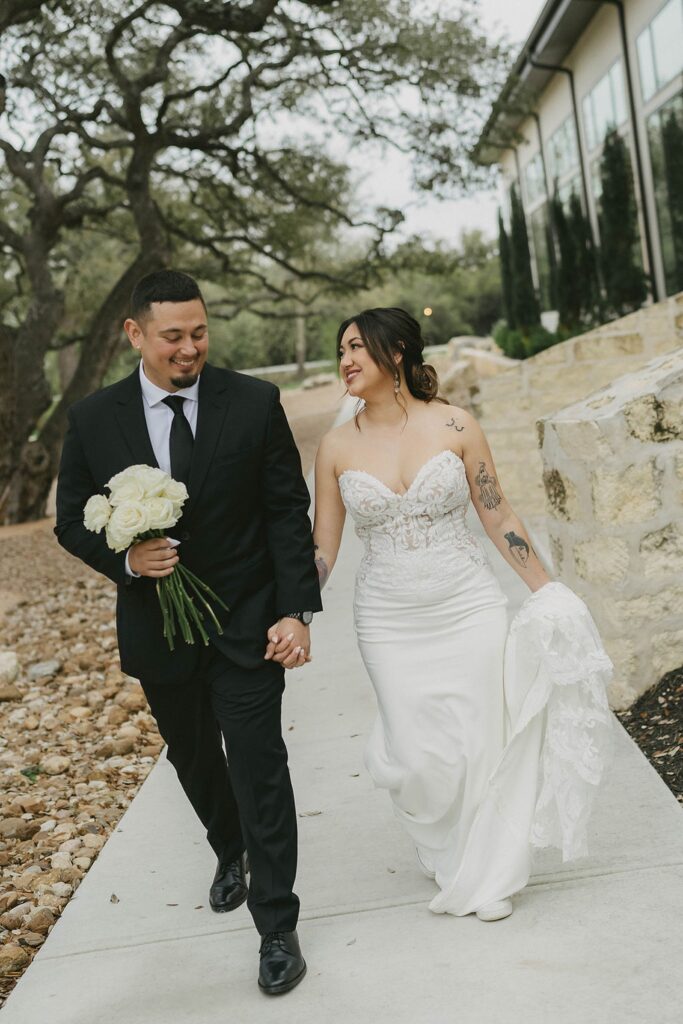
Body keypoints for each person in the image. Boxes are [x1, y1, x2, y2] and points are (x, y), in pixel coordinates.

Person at [55, 270, 321, 995]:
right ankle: (226, 844)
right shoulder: (92, 420)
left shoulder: (256, 401)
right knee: (195, 759)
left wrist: (295, 609)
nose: (189, 348)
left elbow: (283, 513)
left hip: (246, 623)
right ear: (134, 334)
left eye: (199, 332)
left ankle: (276, 926)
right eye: (172, 336)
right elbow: (71, 517)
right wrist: (128, 560)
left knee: (259, 766)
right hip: (158, 630)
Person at [313, 307, 612, 922]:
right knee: (422, 757)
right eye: (340, 350)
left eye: (355, 349)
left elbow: (497, 513)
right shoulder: (336, 446)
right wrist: (291, 610)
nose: (344, 361)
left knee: (479, 741)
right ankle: (444, 848)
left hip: (467, 603)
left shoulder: (455, 423)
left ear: (395, 354)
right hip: (388, 617)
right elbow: (323, 548)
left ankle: (486, 872)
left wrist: (547, 590)